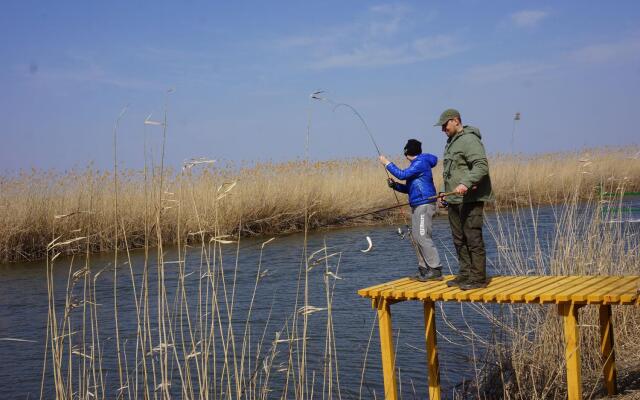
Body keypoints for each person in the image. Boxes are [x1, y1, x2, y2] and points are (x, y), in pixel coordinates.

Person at [435, 109, 492, 290]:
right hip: (454, 201)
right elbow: (450, 172)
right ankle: (465, 274)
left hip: (470, 199)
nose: (443, 129)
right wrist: (444, 192)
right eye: (442, 126)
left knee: (473, 237)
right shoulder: (451, 143)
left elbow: (481, 166)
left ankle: (478, 278)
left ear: (456, 121)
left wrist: (465, 184)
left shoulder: (469, 139)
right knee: (458, 239)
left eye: (445, 125)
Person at [379, 139, 442, 281]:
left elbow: (401, 174)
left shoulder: (420, 162)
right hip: (417, 204)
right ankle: (424, 269)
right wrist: (395, 186)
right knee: (416, 237)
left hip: (424, 204)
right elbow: (409, 188)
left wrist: (386, 163)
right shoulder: (417, 165)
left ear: (408, 152)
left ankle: (435, 269)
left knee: (422, 235)